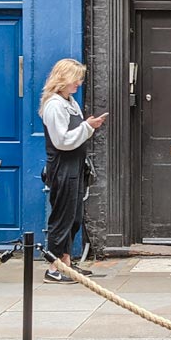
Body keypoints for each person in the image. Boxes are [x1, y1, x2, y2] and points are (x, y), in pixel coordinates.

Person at [39, 59, 106, 284]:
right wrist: (87, 127)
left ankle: (66, 263)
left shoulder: (69, 102)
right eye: (75, 78)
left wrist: (88, 125)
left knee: (73, 216)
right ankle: (54, 267)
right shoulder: (54, 105)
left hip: (75, 165)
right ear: (62, 78)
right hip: (62, 166)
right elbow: (61, 141)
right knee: (61, 217)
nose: (79, 82)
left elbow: (75, 133)